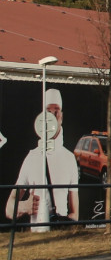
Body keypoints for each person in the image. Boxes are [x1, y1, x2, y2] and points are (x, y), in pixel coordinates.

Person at [4, 89, 80, 231]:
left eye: (56, 111)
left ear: (61, 116)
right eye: (48, 111)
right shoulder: (32, 157)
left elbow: (75, 213)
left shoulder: (69, 159)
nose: (52, 115)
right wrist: (23, 206)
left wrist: (65, 225)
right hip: (37, 235)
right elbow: (9, 209)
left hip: (60, 236)